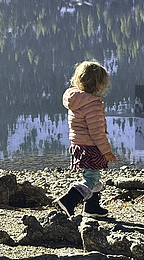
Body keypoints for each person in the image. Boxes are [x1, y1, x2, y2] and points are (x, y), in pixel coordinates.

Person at [54, 60, 117, 218]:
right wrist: (106, 151)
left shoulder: (76, 100)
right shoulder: (92, 104)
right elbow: (96, 132)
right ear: (99, 85)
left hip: (78, 144)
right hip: (91, 146)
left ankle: (91, 208)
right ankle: (69, 200)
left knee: (93, 176)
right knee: (90, 178)